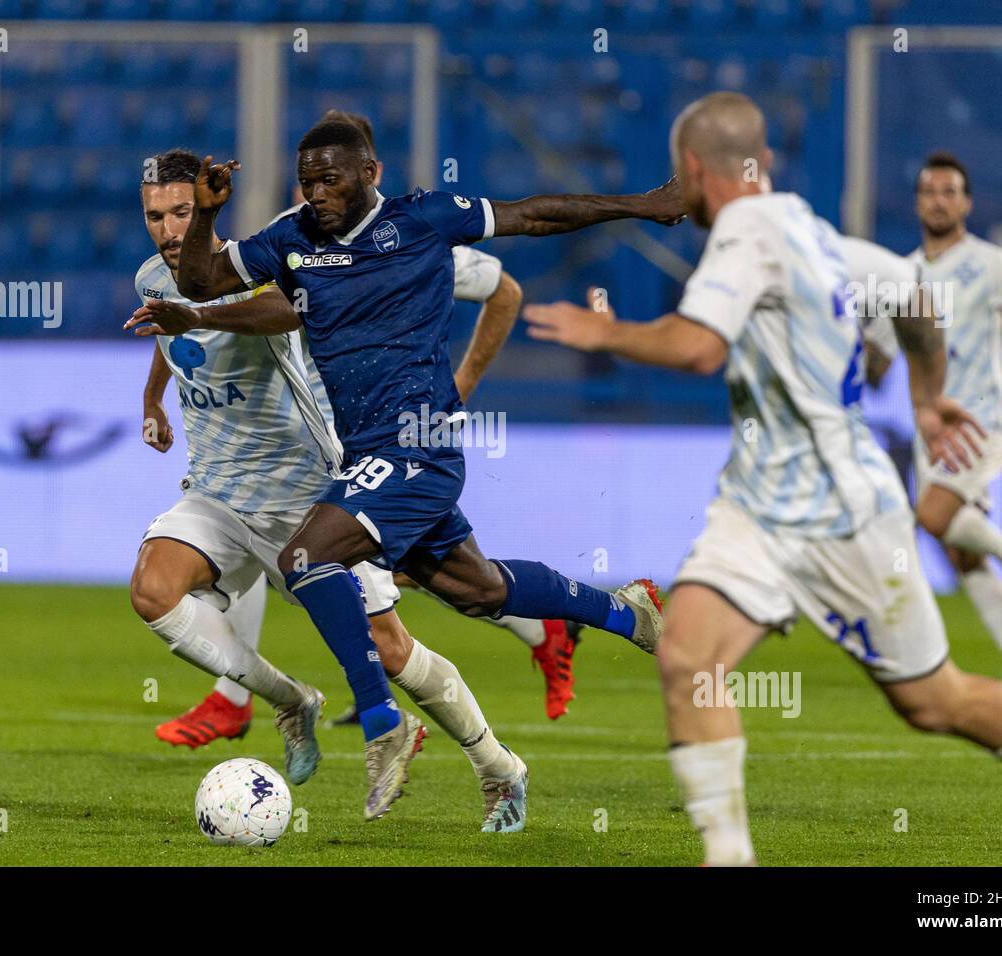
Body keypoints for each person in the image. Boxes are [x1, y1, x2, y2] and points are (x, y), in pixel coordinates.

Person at [521, 91, 1002, 867]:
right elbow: (915, 300)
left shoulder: (748, 235)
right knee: (689, 656)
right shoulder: (817, 235)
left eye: (677, 176)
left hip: (847, 518)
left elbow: (698, 348)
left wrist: (605, 331)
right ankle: (729, 858)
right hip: (757, 513)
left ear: (694, 168)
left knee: (934, 702)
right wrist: (927, 400)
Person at [166, 120, 683, 818]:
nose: (318, 193)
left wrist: (642, 204)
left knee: (306, 558)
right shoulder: (293, 240)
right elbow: (201, 275)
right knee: (480, 590)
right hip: (369, 457)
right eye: (308, 179)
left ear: (370, 173)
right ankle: (629, 615)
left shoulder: (425, 220)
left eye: (332, 178)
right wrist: (205, 213)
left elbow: (536, 213)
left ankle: (382, 720)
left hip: (417, 449)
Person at [127, 149, 528, 832]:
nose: (168, 230)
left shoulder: (263, 274)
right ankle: (292, 701)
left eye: (181, 213)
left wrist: (197, 315)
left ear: (205, 211)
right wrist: (154, 399)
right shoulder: (150, 278)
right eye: (155, 216)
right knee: (152, 591)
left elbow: (281, 313)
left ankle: (498, 766)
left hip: (304, 497)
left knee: (393, 652)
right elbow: (166, 332)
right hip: (219, 493)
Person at [864, 152, 1002, 696]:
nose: (939, 200)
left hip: (983, 422)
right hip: (931, 431)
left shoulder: (992, 265)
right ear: (917, 203)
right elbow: (878, 364)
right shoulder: (901, 277)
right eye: (929, 191)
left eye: (949, 191)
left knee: (932, 517)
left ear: (967, 202)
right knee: (959, 550)